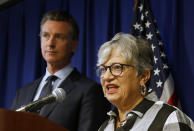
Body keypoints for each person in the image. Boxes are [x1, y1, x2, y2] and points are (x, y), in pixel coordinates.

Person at [11, 10, 110, 131]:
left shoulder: (89, 91)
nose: (50, 43)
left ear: (74, 44)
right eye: (46, 35)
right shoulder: (22, 92)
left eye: (59, 37)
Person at [96, 33, 194, 131]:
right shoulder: (104, 128)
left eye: (117, 67)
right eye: (103, 69)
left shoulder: (168, 119)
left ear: (143, 76)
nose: (106, 77)